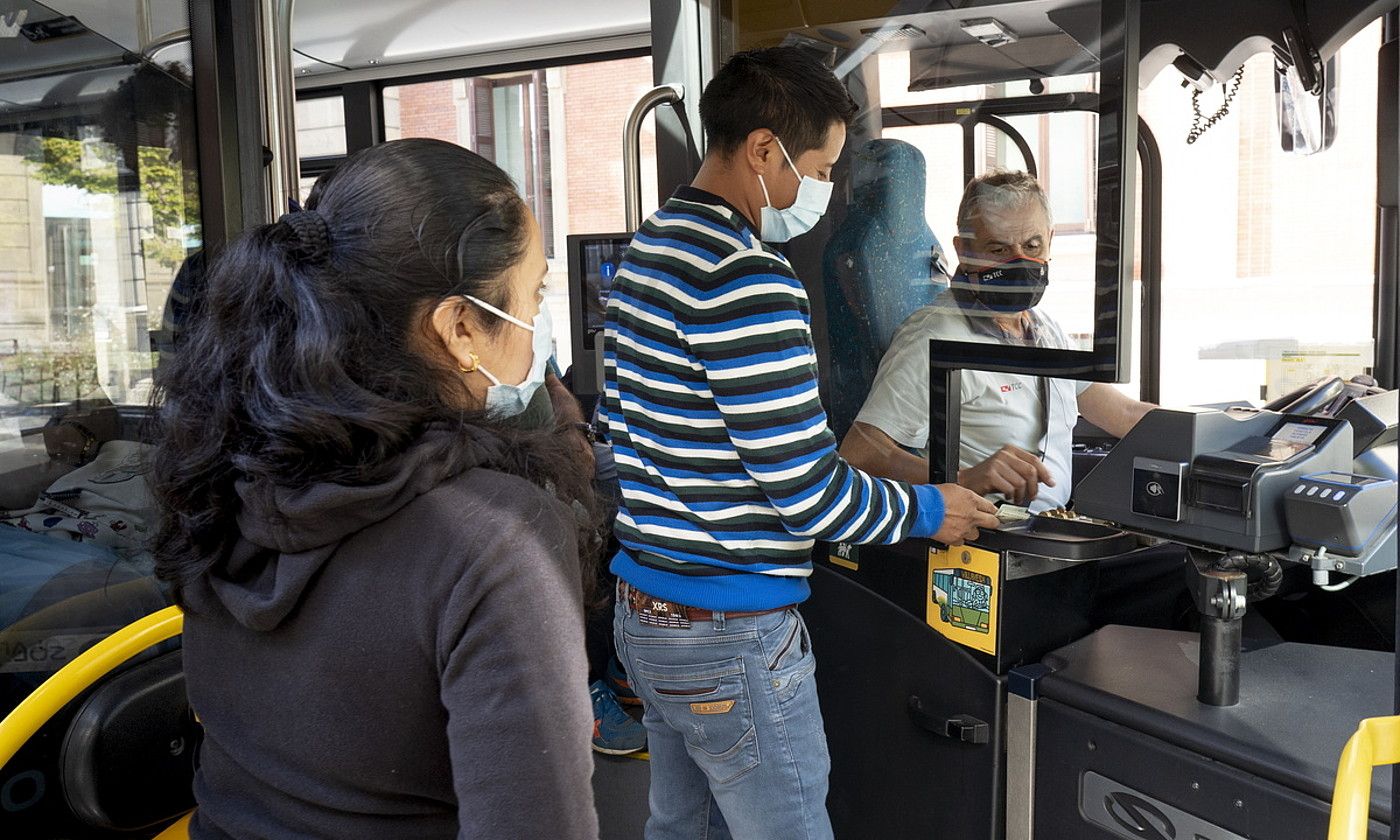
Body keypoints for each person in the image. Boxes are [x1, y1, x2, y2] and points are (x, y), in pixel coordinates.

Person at [150, 138, 600, 839]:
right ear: (458, 329)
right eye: (535, 294)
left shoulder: (225, 476)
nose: (538, 327)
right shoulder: (496, 538)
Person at [602, 47, 999, 839]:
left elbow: (625, 436)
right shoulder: (750, 281)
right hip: (731, 634)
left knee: (680, 831)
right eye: (817, 169)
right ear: (761, 151)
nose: (818, 193)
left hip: (643, 618)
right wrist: (932, 509)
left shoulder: (647, 252)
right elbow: (809, 492)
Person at [841, 170, 1156, 511]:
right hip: (985, 535)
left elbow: (1122, 412)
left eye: (1032, 245)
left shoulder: (1046, 331)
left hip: (1048, 526)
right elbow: (860, 452)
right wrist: (964, 478)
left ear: (1050, 240)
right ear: (963, 250)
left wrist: (1212, 435)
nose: (1019, 261)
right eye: (999, 249)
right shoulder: (934, 337)